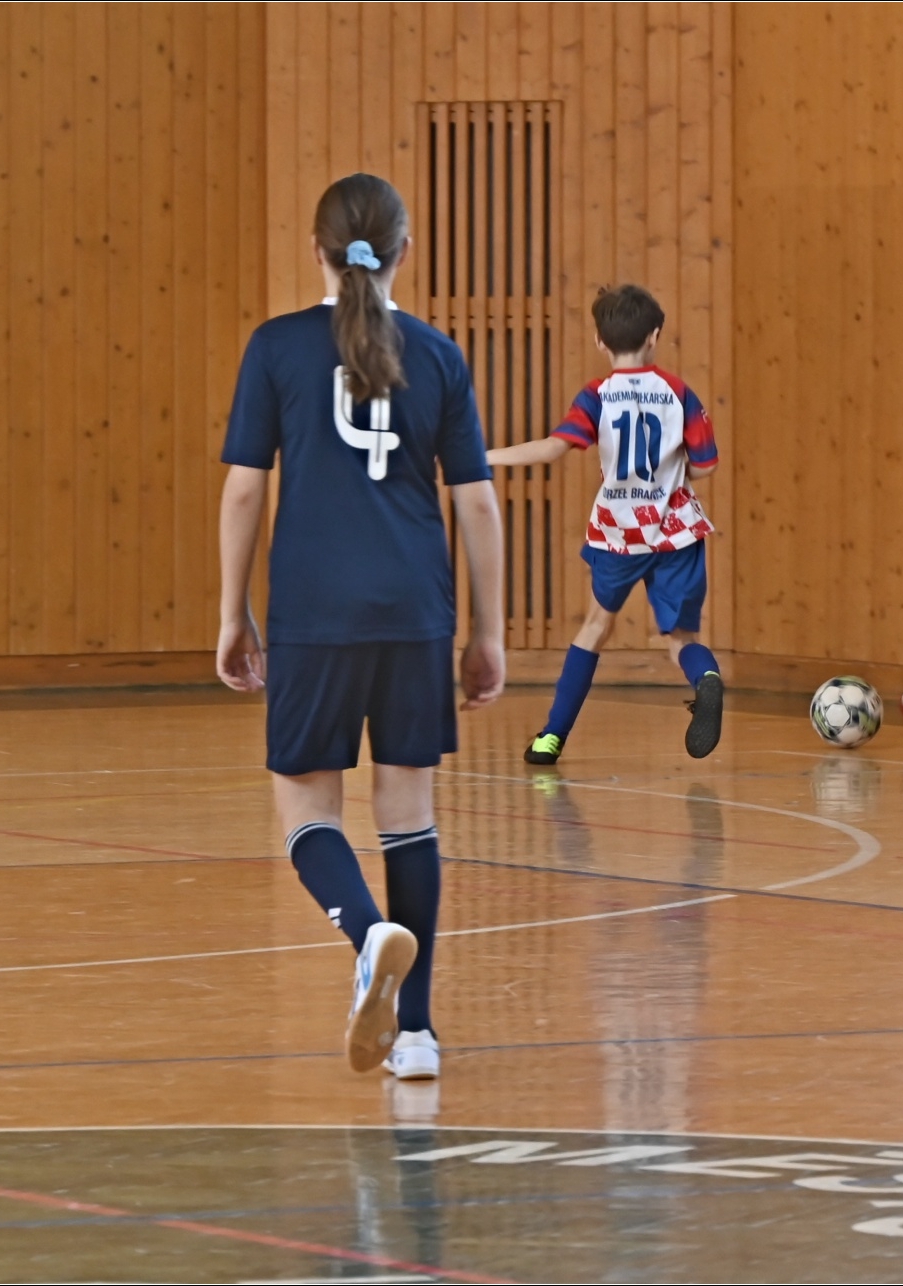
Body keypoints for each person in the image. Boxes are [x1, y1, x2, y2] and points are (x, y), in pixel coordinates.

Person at [216, 173, 504, 1082]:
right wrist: (488, 631)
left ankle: (367, 932)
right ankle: (415, 1036)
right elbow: (478, 503)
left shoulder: (276, 347)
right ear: (404, 252)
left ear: (318, 250)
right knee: (409, 818)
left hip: (317, 608)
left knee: (307, 808)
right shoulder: (440, 354)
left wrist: (232, 611)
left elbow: (246, 490)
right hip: (414, 606)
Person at [483, 285, 723, 765]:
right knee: (681, 639)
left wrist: (482, 457)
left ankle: (551, 737)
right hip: (675, 531)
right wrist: (672, 473)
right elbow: (706, 466)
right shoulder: (679, 393)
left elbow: (553, 448)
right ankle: (707, 680)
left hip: (619, 532)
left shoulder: (597, 395)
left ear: (599, 341)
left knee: (595, 627)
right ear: (654, 336)